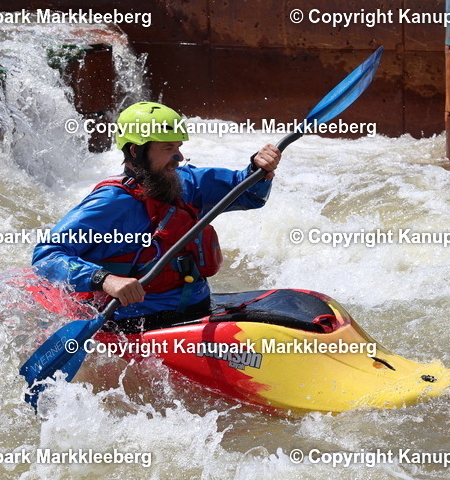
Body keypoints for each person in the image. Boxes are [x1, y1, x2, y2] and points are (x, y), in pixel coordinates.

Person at [32, 102, 281, 331]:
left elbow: (248, 193)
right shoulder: (110, 203)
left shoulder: (187, 183)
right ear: (135, 151)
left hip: (195, 310)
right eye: (168, 148)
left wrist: (259, 169)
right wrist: (105, 279)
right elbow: (47, 255)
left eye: (178, 147)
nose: (178, 157)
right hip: (137, 322)